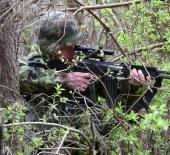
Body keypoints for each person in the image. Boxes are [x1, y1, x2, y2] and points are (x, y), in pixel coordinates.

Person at [19, 11, 150, 154]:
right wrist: (64, 78)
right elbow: (20, 77)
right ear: (51, 47)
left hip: (85, 145)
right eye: (67, 46)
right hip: (47, 146)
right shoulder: (32, 63)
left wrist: (131, 84)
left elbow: (119, 103)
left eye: (75, 45)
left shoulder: (82, 64)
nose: (73, 51)